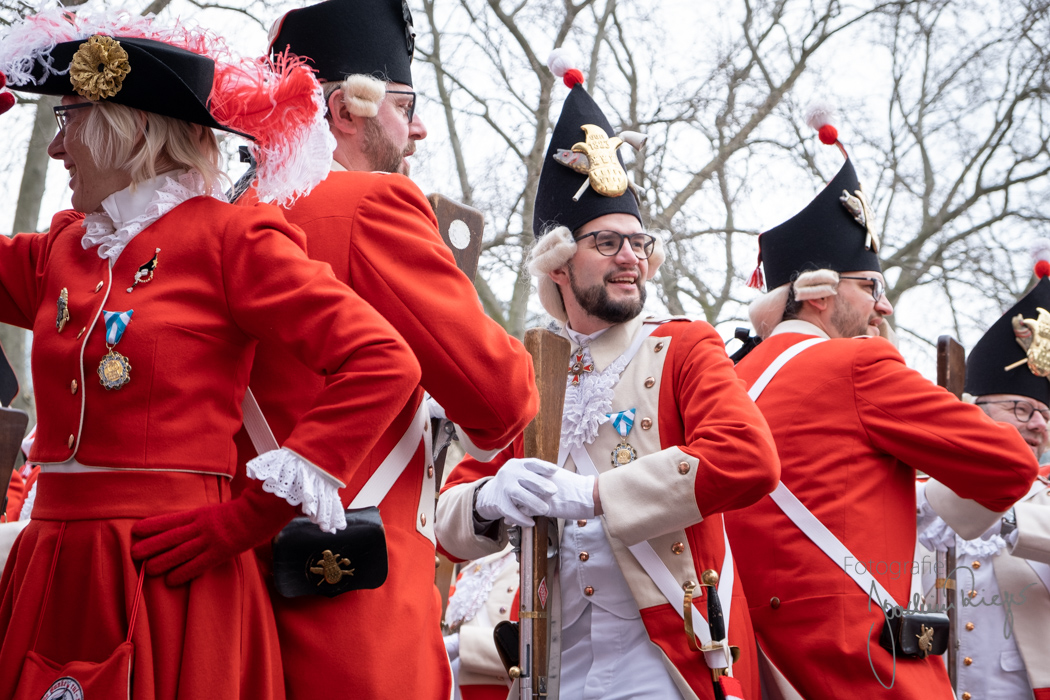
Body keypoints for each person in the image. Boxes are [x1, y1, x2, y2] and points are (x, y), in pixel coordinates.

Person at [0, 11, 419, 699]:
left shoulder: (231, 238)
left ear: (123, 125)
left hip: (169, 572)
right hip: (51, 567)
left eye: (67, 121)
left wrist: (250, 516)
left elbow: (382, 360)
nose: (56, 149)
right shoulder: (62, 249)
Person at [436, 59, 780, 700]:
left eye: (639, 243)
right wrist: (488, 498)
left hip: (664, 660)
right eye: (608, 243)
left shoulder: (683, 346)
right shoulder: (525, 367)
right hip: (549, 662)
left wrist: (592, 496)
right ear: (559, 265)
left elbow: (750, 460)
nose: (632, 258)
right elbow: (447, 524)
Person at [236, 1, 539, 698]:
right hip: (351, 608)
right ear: (346, 111)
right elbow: (501, 401)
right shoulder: (369, 205)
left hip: (234, 594)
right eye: (405, 105)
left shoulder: (226, 218)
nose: (420, 128)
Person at [723, 111, 1039, 699]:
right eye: (870, 286)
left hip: (762, 669)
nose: (884, 308)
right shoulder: (859, 364)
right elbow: (1010, 464)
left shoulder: (730, 378)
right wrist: (933, 503)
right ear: (818, 292)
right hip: (863, 671)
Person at [917, 261, 1050, 700]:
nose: (1038, 426)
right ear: (976, 412)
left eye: (1046, 415)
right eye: (1022, 409)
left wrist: (1006, 519)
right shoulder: (923, 492)